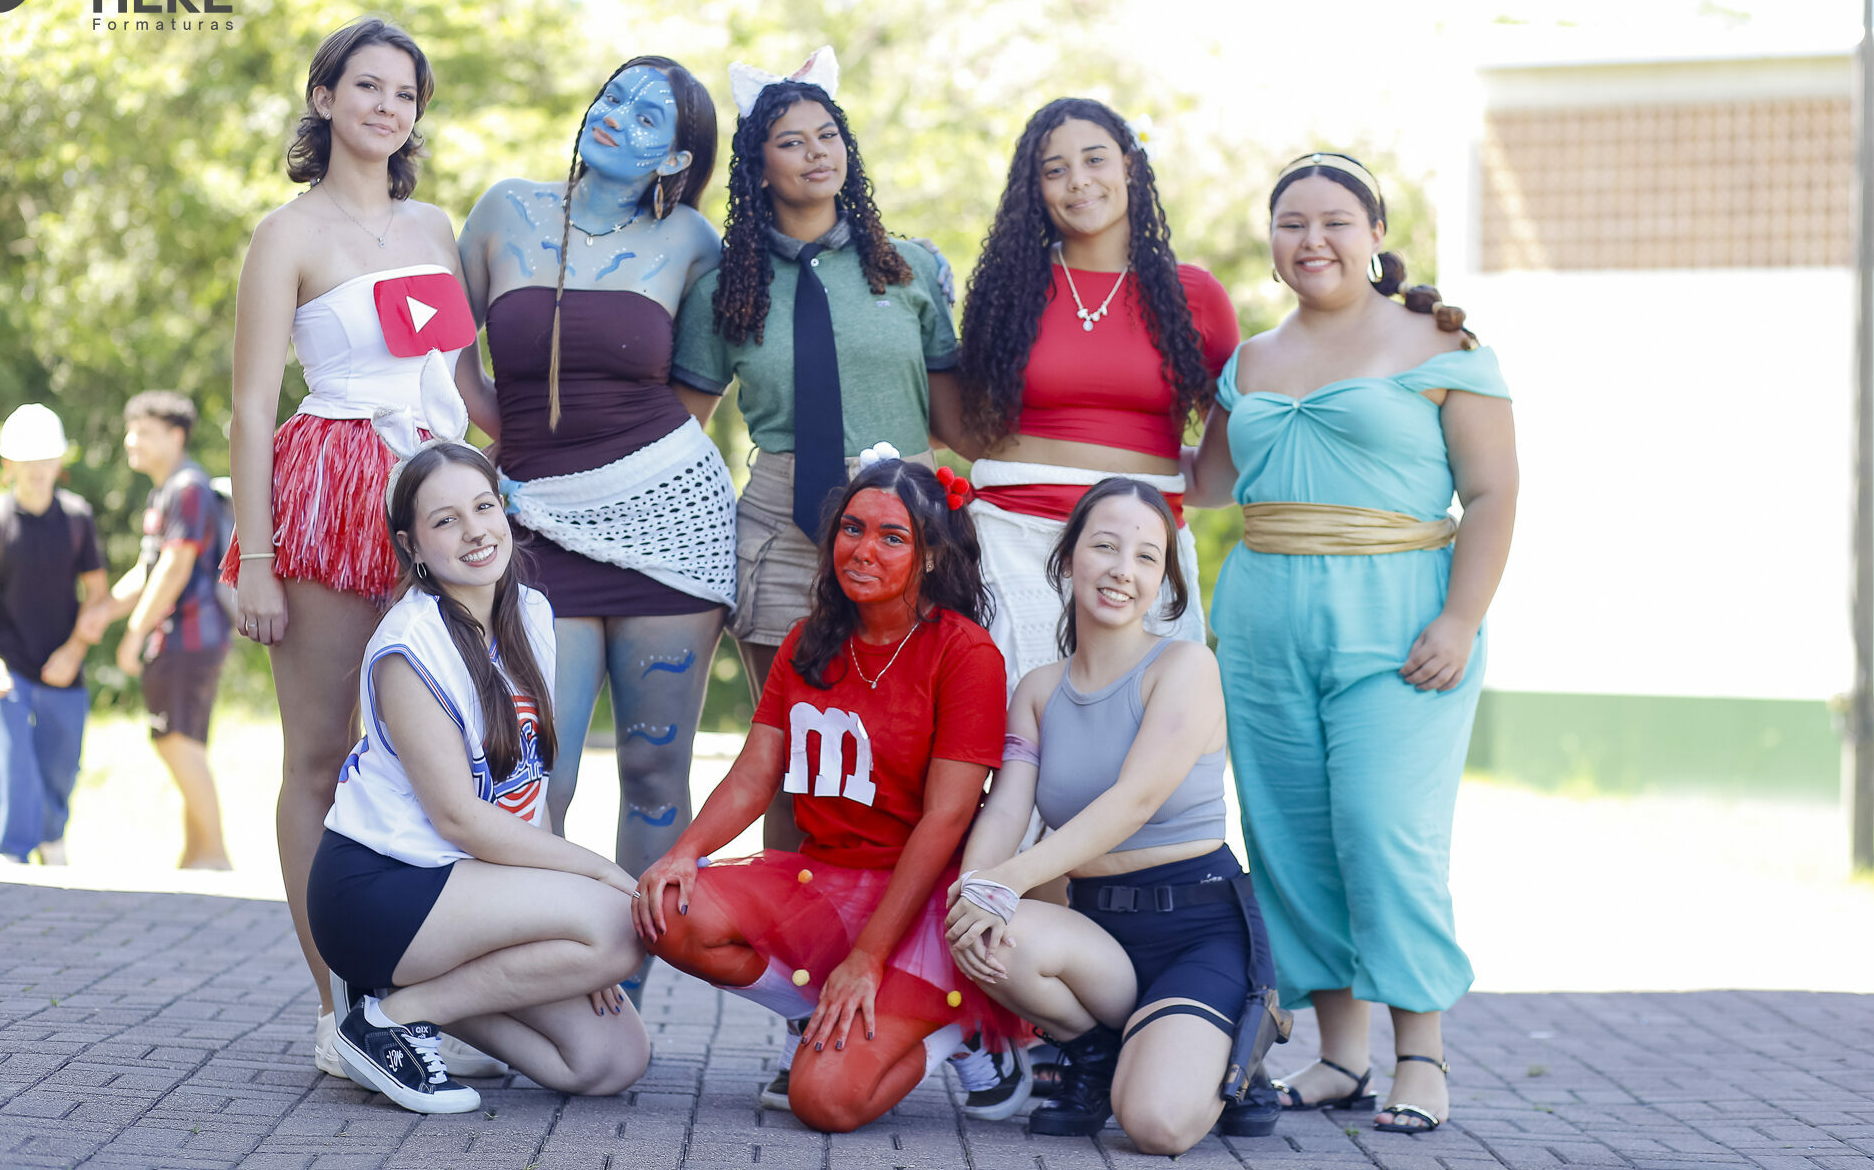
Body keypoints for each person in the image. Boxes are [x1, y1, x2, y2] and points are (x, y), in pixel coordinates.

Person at [1188, 152, 1518, 1136]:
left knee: (1382, 830)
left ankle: (1422, 1056)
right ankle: (1342, 1057)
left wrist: (1460, 617)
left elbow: (1494, 491)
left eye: (1334, 220)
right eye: (1291, 222)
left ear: (1376, 232)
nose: (1312, 239)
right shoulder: (1249, 361)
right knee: (1289, 836)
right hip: (1263, 624)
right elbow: (1204, 482)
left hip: (1402, 620)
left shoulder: (1441, 340)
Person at [222, 17, 495, 1079]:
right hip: (330, 494)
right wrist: (253, 559)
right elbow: (251, 407)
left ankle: (413, 994)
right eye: (368, 86)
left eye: (406, 93)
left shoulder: (434, 224)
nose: (388, 106)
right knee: (320, 755)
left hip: (436, 501)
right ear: (325, 97)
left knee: (440, 754)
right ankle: (338, 1009)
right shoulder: (285, 234)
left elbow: (463, 386)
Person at [631, 455, 1028, 1132]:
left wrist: (867, 960)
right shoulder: (808, 639)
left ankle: (956, 1030)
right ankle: (811, 1013)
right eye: (852, 528)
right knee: (668, 908)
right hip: (825, 882)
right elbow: (755, 774)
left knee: (825, 1100)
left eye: (892, 537)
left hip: (920, 896)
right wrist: (682, 853)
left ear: (933, 555)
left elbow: (946, 819)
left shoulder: (965, 654)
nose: (863, 550)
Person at [455, 56, 733, 944]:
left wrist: (613, 467)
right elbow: (449, 359)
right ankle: (544, 955)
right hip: (537, 524)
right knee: (543, 769)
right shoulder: (505, 209)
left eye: (648, 118)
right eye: (614, 98)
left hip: (671, 528)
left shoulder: (694, 241)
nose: (617, 116)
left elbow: (698, 386)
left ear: (675, 160)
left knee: (654, 768)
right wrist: (514, 446)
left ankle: (626, 970)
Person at [310, 390, 648, 1115]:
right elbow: (460, 820)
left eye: (483, 507)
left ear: (505, 511)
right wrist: (596, 880)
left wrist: (567, 917)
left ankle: (398, 1002)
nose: (474, 531)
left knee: (610, 1059)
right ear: (411, 545)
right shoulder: (410, 645)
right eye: (445, 520)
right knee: (622, 925)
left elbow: (527, 791)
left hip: (464, 887)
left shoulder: (530, 615)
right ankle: (386, 1021)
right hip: (381, 887)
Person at [945, 479, 1283, 1153]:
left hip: (1197, 930)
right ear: (1069, 556)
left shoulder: (1185, 666)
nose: (1122, 569)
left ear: (1163, 579)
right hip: (1100, 934)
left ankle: (1235, 1041)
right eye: (1105, 546)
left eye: (1146, 556)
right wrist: (975, 889)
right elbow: (1007, 805)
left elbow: (1135, 801)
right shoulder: (1038, 690)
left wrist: (1007, 882)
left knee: (1155, 1125)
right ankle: (1098, 1055)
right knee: (988, 936)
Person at [670, 48, 968, 718]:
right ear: (758, 166)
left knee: (908, 732)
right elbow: (679, 434)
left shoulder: (909, 268)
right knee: (790, 742)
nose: (816, 152)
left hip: (910, 522)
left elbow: (958, 427)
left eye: (828, 135)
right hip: (781, 528)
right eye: (791, 142)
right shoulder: (723, 290)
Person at [954, 98, 1237, 691]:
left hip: (1142, 549)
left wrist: (1158, 474)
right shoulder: (1007, 290)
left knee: (1147, 723)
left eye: (1094, 159)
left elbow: (1230, 441)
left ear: (1129, 165)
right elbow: (964, 419)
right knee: (1016, 728)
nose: (1078, 181)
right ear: (1035, 189)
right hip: (1014, 541)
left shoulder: (1196, 296)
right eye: (1055, 170)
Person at [0, 404, 107, 865]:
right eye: (26, 459)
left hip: (64, 664)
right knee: (12, 757)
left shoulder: (77, 518)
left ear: (59, 461)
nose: (37, 469)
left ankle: (51, 839)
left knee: (62, 763)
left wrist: (74, 651)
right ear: (9, 465)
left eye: (46, 458)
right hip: (9, 664)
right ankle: (10, 853)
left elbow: (97, 594)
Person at [93, 391, 232, 870]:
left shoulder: (188, 487)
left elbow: (175, 566)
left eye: (145, 432)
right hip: (181, 637)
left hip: (189, 634)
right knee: (182, 741)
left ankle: (214, 856)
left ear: (176, 437)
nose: (132, 441)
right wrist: (103, 612)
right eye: (131, 431)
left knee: (176, 742)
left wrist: (134, 633)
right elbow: (148, 568)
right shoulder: (166, 490)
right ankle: (195, 855)